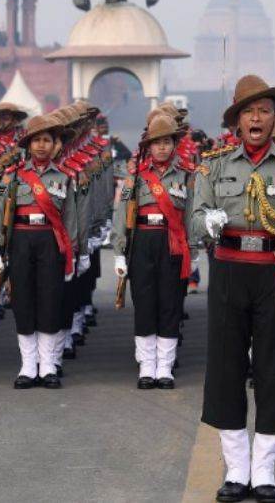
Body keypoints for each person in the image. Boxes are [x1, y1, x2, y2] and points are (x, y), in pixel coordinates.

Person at [190, 75, 275, 503]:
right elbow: (194, 219)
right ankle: (236, 470)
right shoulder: (214, 166)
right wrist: (206, 222)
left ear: (274, 119)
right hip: (229, 269)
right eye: (249, 111)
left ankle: (264, 471)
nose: (257, 118)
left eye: (264, 111)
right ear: (236, 121)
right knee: (227, 370)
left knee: (273, 369)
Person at [0, 114, 79, 390]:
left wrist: (72, 254)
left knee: (50, 301)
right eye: (37, 140)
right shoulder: (13, 177)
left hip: (50, 242)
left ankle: (49, 365)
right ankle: (28, 366)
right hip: (21, 241)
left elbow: (70, 219)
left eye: (47, 140)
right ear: (28, 145)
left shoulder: (64, 178)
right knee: (24, 301)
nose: (41, 145)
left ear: (54, 145)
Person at [112, 113, 193, 389]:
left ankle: (165, 367)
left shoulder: (186, 174)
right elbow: (122, 213)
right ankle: (146, 366)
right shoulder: (134, 177)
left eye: (167, 141)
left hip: (172, 243)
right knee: (145, 304)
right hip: (143, 242)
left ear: (174, 144)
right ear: (148, 146)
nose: (162, 147)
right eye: (156, 142)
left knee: (170, 305)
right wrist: (120, 251)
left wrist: (191, 250)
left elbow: (191, 216)